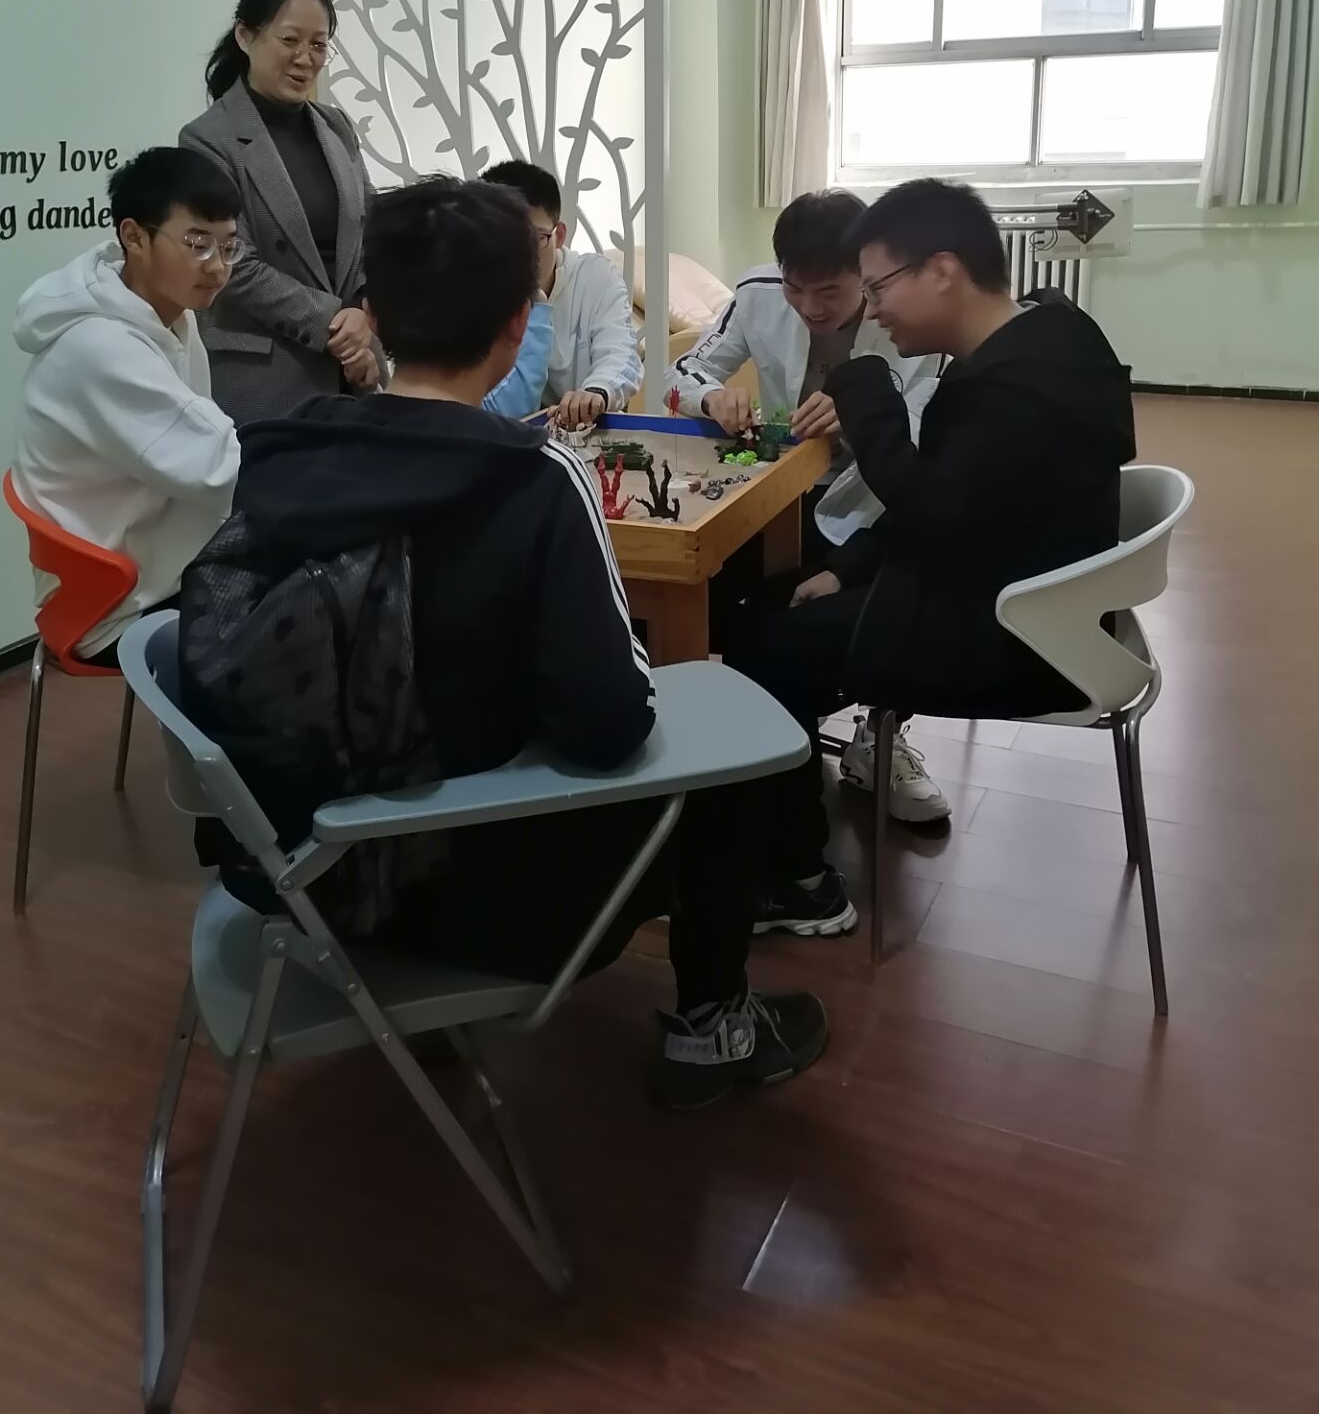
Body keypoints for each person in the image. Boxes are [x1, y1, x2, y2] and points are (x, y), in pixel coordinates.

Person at [181, 176, 826, 1108]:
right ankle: (713, 1029)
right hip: (464, 893)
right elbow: (609, 728)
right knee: (732, 763)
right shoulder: (535, 483)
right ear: (521, 327)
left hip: (288, 873)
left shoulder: (280, 450)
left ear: (372, 316)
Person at [727, 178, 1136, 937]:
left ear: (942, 271)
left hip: (1019, 638)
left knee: (762, 647)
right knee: (775, 597)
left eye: (878, 287)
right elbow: (966, 508)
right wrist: (848, 568)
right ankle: (788, 803)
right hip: (1025, 598)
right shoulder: (1049, 338)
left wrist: (866, 393)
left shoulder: (1012, 386)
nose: (873, 309)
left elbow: (935, 514)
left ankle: (797, 881)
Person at [665, 189, 949, 825]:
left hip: (880, 500)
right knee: (724, 589)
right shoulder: (759, 293)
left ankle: (880, 733)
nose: (811, 307)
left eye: (830, 291)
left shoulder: (909, 316)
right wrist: (712, 398)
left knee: (879, 595)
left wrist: (864, 417)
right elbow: (679, 376)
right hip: (783, 491)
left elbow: (929, 434)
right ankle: (746, 735)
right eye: (797, 289)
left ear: (866, 274)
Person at [12, 147, 242, 664]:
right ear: (134, 236)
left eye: (229, 247)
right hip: (113, 598)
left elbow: (204, 445)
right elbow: (218, 471)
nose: (217, 267)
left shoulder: (170, 314)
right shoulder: (101, 346)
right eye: (197, 244)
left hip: (155, 550)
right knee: (309, 612)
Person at [179, 0, 381, 425]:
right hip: (267, 382)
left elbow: (373, 229)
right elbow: (232, 263)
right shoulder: (207, 139)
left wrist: (365, 314)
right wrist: (338, 324)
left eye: (319, 45)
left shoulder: (336, 126)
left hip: (354, 370)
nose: (305, 58)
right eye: (290, 40)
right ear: (245, 36)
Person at [479, 160, 641, 427]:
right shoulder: (473, 290)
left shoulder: (595, 276)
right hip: (505, 436)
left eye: (535, 238)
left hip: (586, 434)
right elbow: (503, 407)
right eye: (502, 237)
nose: (518, 254)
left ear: (560, 235)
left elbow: (621, 354)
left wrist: (596, 391)